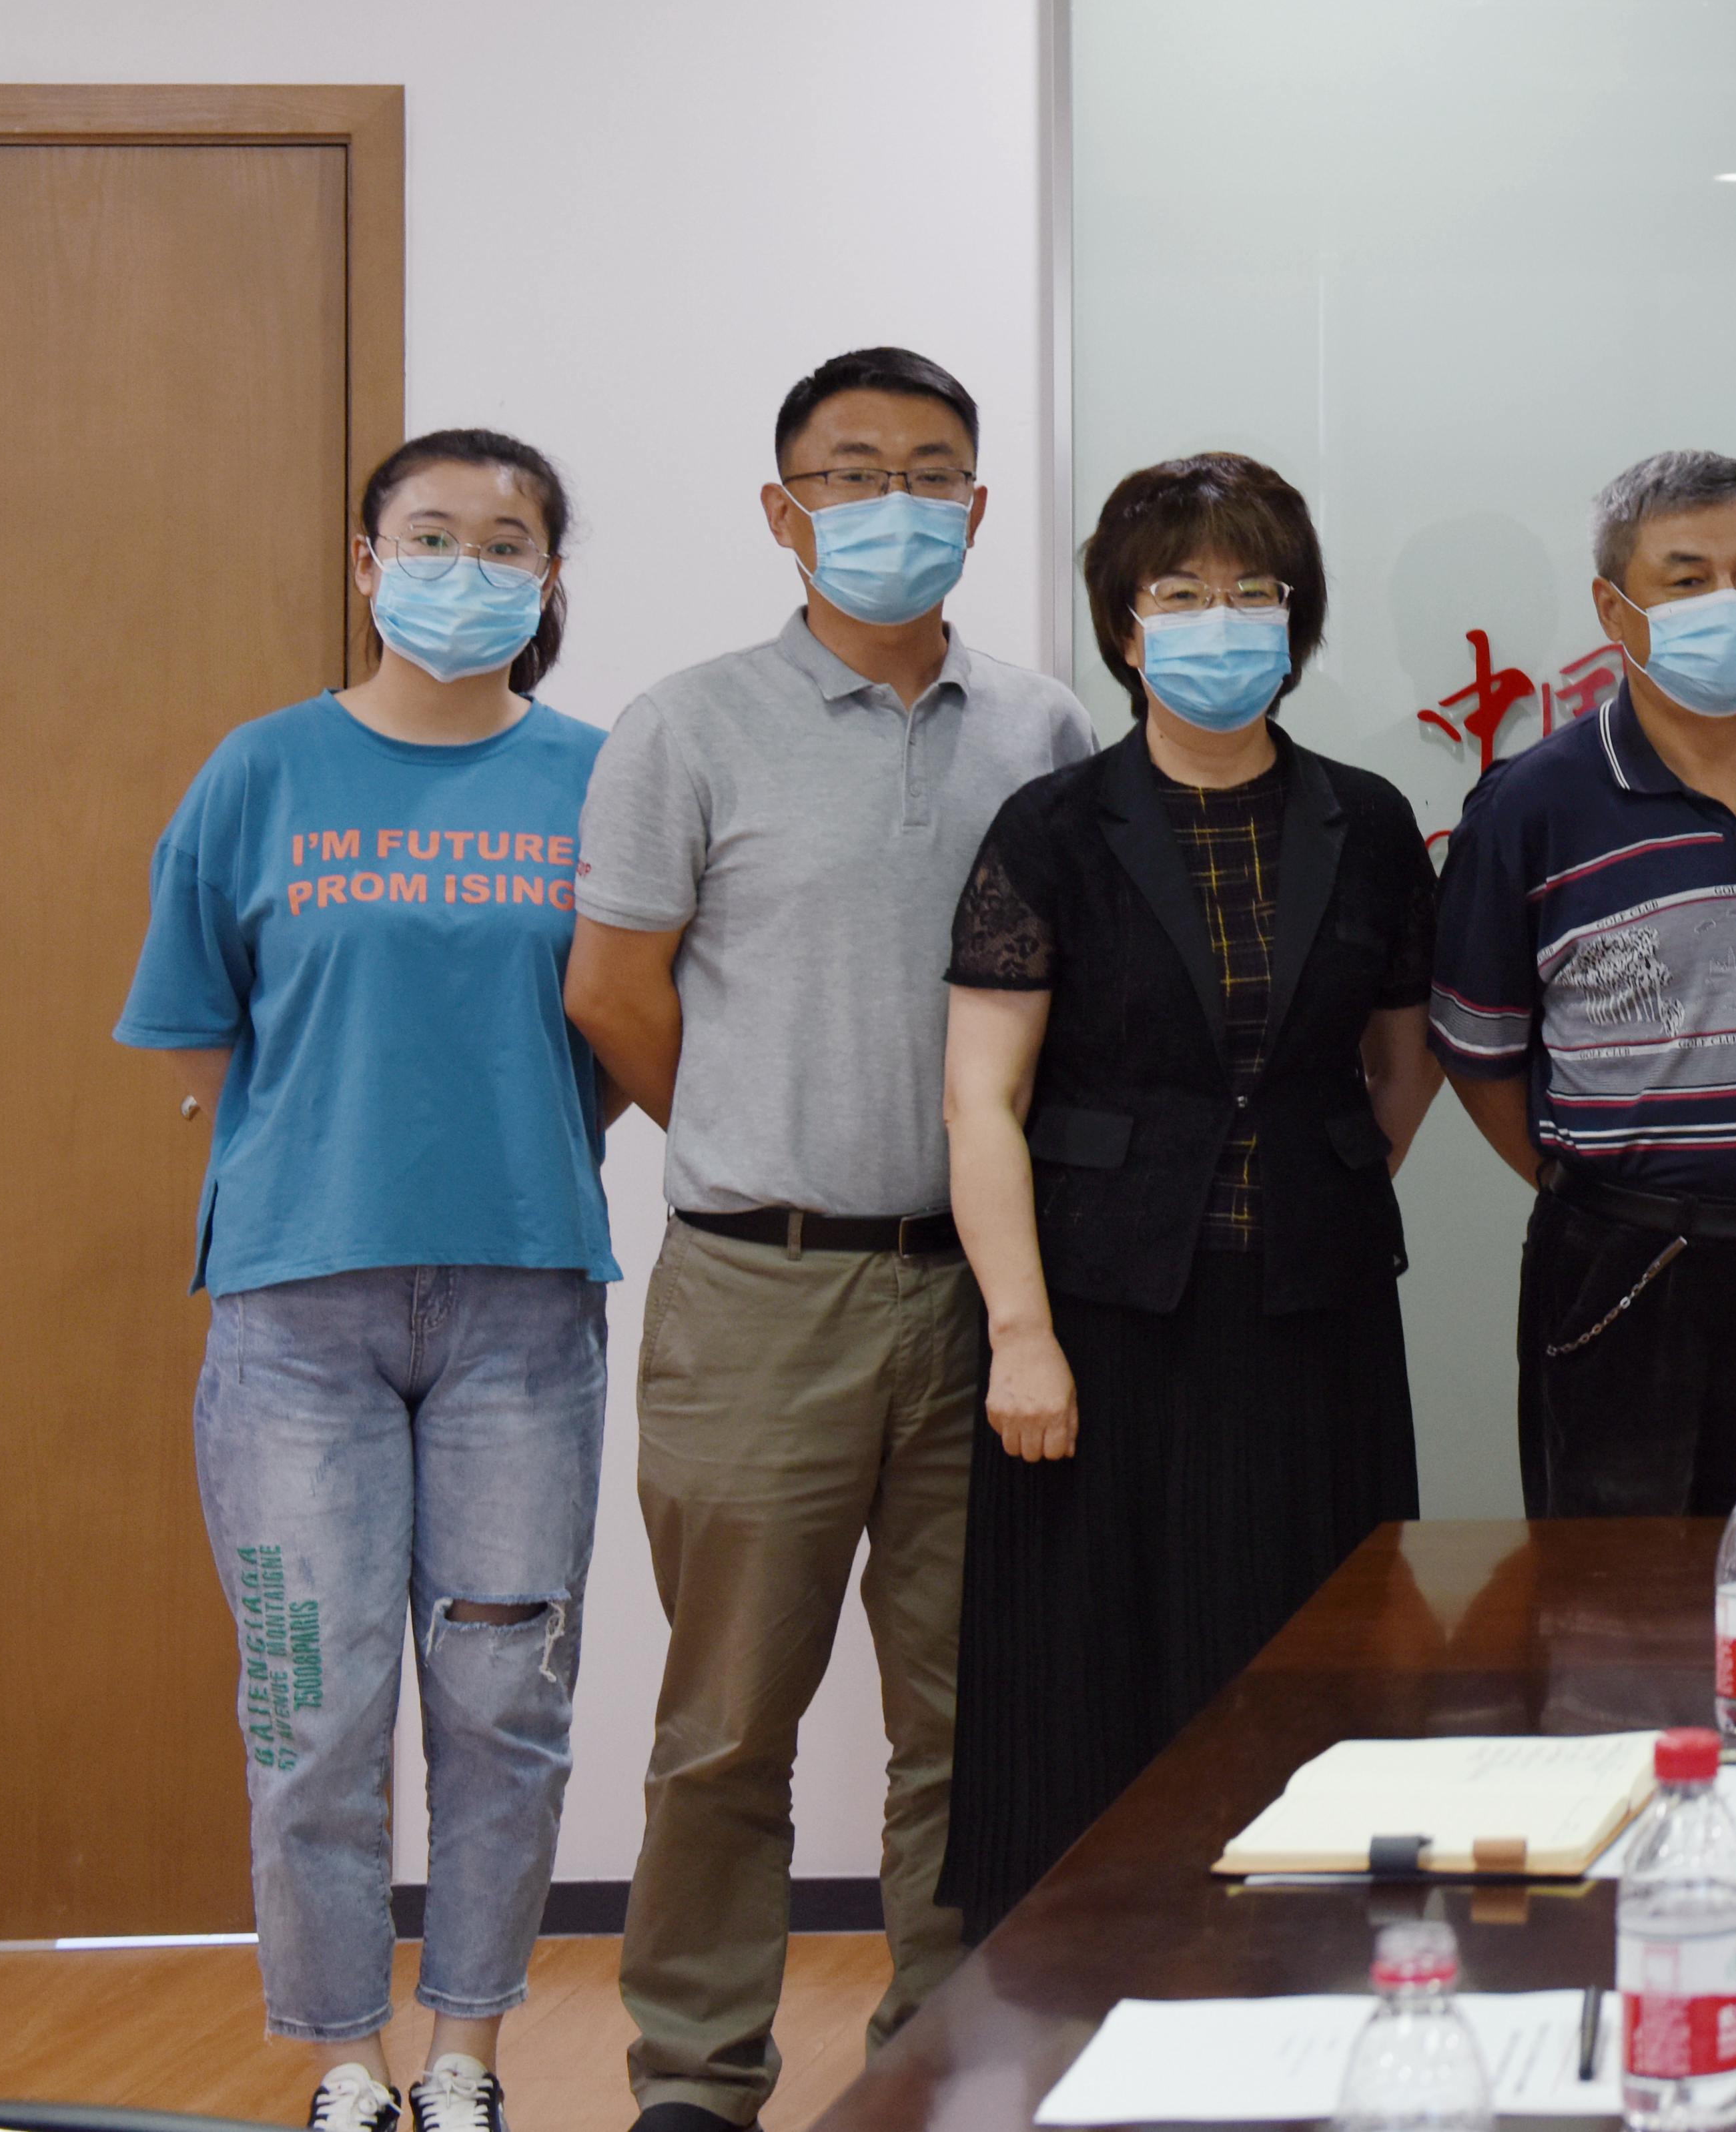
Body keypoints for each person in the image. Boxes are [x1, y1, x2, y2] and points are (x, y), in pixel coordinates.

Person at [568, 347, 1093, 2132]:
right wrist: (758, 1137)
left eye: (930, 471)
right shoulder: (687, 724)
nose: (894, 502)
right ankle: (695, 2074)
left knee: (968, 1715)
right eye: (852, 470)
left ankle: (941, 2056)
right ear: (783, 508)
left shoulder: (1042, 728)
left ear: (978, 506)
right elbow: (615, 992)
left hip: (978, 1292)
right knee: (728, 1718)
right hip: (758, 1287)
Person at [120, 432, 617, 2132]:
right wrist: (341, 1135)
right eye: (430, 535)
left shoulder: (599, 778)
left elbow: (627, 1025)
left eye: (507, 541)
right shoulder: (260, 770)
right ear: (365, 561)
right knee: (309, 1709)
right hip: (296, 1313)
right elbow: (198, 1030)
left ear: (550, 576)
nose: (467, 568)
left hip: (524, 1305)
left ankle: (467, 2056)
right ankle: (347, 2059)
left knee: (505, 1703)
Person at [935, 453, 1440, 1931]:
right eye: (1181, 592)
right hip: (1098, 1323)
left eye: (1251, 591)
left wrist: (1311, 1180)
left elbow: (1401, 1062)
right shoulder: (1052, 826)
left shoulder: (1368, 819)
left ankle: (1312, 1970)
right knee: (1085, 1682)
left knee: (1319, 1663)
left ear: (1297, 618)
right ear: (1126, 624)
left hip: (1315, 1316)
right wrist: (1019, 1332)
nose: (1220, 619)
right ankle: (1074, 1986)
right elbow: (982, 1098)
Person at [1432, 448, 1736, 1513]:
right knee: (1621, 1602)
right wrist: (1596, 1192)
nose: (1729, 600)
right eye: (1687, 579)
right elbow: (1479, 1052)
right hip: (1627, 1272)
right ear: (1615, 607)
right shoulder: (1533, 802)